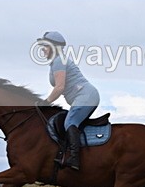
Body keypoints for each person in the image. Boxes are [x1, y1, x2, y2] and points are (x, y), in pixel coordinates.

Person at [36, 31, 100, 171]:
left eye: (45, 46)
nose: (42, 49)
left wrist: (45, 103)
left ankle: (74, 159)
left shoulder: (59, 61)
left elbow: (59, 88)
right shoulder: (56, 62)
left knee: (70, 122)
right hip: (85, 96)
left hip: (86, 96)